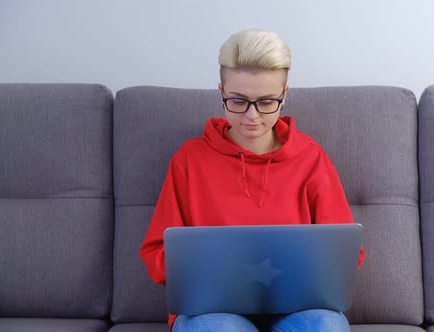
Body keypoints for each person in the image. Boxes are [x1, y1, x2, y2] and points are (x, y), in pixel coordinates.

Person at [139, 28, 365, 332]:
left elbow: (346, 253)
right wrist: (201, 269)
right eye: (238, 101)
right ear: (221, 91)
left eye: (266, 102)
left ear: (285, 95)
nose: (252, 116)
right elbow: (156, 252)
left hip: (297, 311)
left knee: (326, 325)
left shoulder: (311, 159)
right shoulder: (189, 160)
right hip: (213, 313)